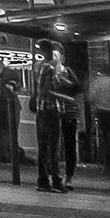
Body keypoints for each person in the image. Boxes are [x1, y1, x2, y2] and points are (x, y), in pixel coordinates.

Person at [32, 40, 77, 193]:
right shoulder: (49, 68)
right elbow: (46, 91)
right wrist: (65, 98)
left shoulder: (40, 67)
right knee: (53, 147)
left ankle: (42, 179)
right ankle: (56, 180)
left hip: (41, 110)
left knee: (43, 146)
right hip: (51, 110)